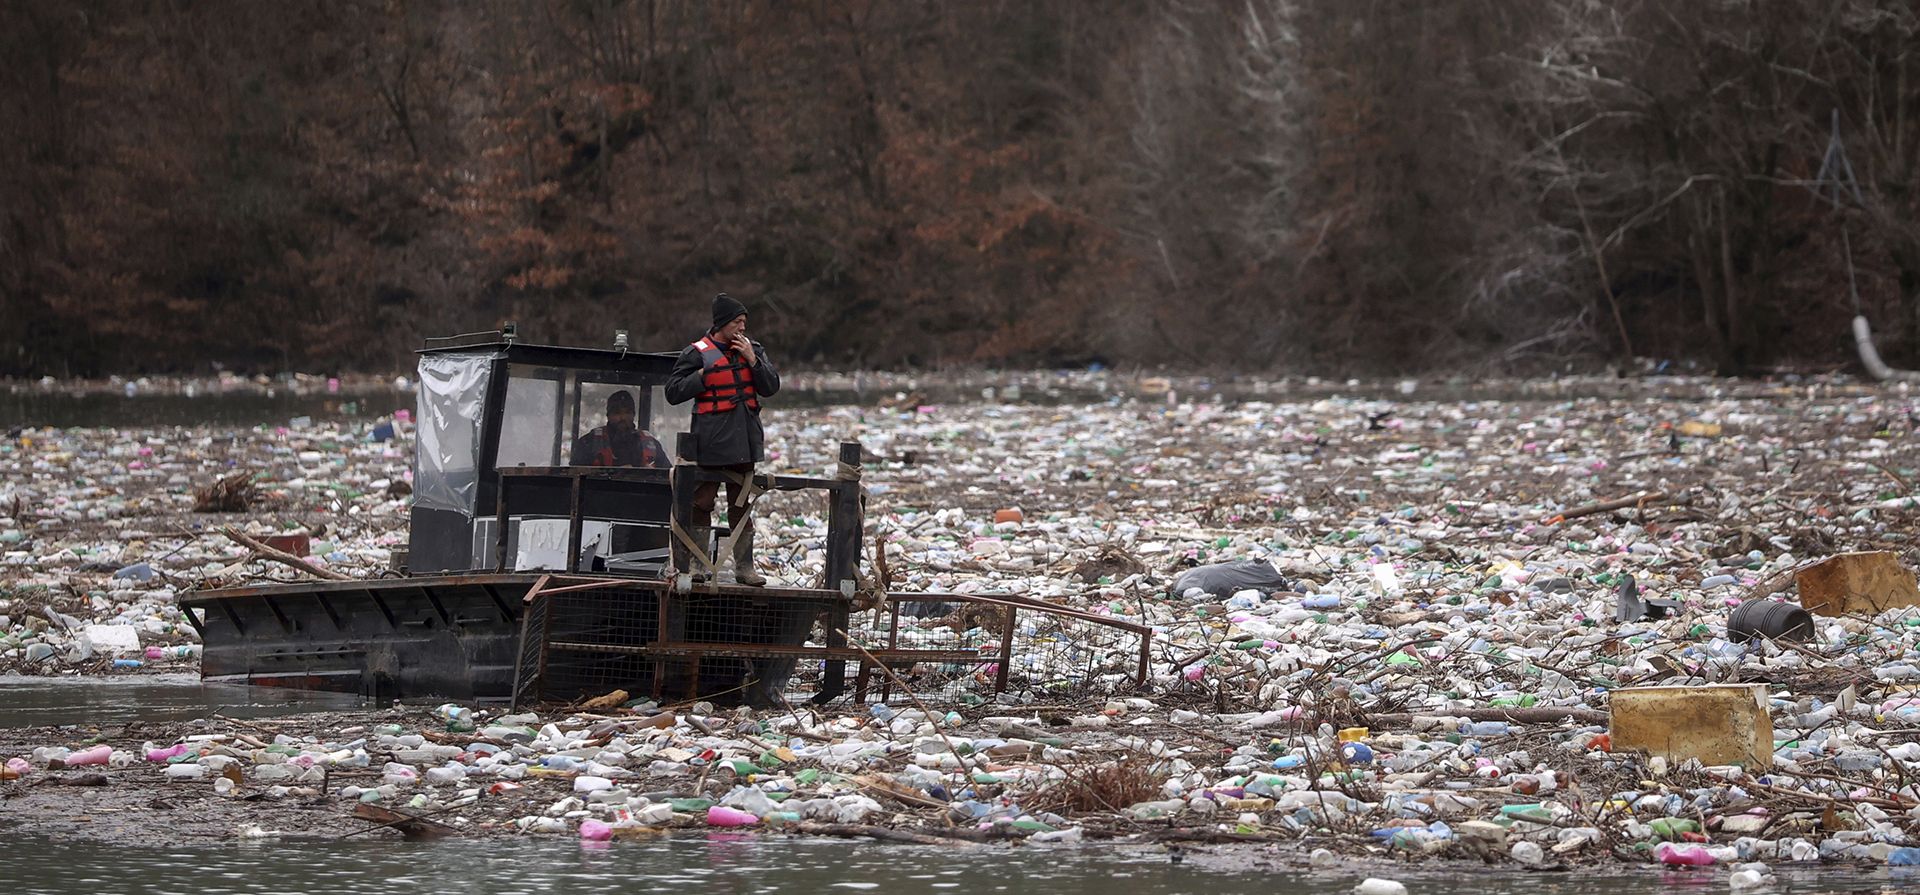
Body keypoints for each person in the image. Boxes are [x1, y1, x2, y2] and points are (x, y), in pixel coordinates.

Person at [666, 293, 780, 585]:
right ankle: (697, 565)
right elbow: (673, 391)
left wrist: (754, 361)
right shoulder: (696, 353)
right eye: (737, 322)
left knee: (741, 504)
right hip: (710, 442)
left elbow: (771, 387)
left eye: (744, 322)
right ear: (722, 324)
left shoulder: (753, 350)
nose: (742, 328)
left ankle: (745, 568)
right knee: (701, 503)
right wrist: (703, 375)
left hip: (745, 442)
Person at [569, 389, 669, 468]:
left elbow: (668, 476)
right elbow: (573, 474)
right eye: (617, 413)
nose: (623, 418)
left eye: (627, 412)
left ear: (633, 414)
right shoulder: (589, 442)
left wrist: (650, 473)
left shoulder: (651, 444)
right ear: (608, 415)